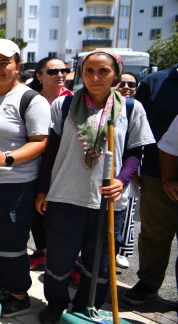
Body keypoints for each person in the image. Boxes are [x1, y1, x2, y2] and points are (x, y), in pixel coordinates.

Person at [36, 50, 155, 324]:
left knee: (100, 262)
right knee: (59, 259)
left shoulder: (131, 108)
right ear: (81, 73)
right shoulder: (64, 106)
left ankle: (85, 307)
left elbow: (136, 153)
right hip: (65, 195)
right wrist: (42, 190)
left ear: (115, 75)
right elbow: (51, 151)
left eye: (103, 71)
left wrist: (120, 180)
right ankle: (55, 303)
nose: (95, 77)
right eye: (89, 71)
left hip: (110, 200)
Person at [0, 39, 51, 317]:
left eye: (4, 63)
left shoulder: (30, 99)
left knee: (10, 241)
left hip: (12, 184)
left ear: (17, 66)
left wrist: (8, 158)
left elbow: (40, 141)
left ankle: (19, 294)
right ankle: (1, 280)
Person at [124, 62, 178, 305]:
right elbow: (134, 126)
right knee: (154, 235)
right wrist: (132, 165)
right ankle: (147, 283)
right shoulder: (155, 82)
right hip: (156, 175)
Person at [25, 57, 73, 270]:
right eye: (53, 71)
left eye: (64, 70)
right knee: (36, 209)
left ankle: (65, 260)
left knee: (61, 215)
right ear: (39, 75)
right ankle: (42, 251)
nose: (60, 75)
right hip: (32, 165)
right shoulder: (30, 99)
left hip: (63, 167)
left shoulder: (75, 101)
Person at [113, 71, 141, 270]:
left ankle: (122, 252)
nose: (126, 87)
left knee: (128, 215)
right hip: (109, 177)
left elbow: (136, 149)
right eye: (122, 83)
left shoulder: (135, 108)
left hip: (127, 175)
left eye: (131, 84)